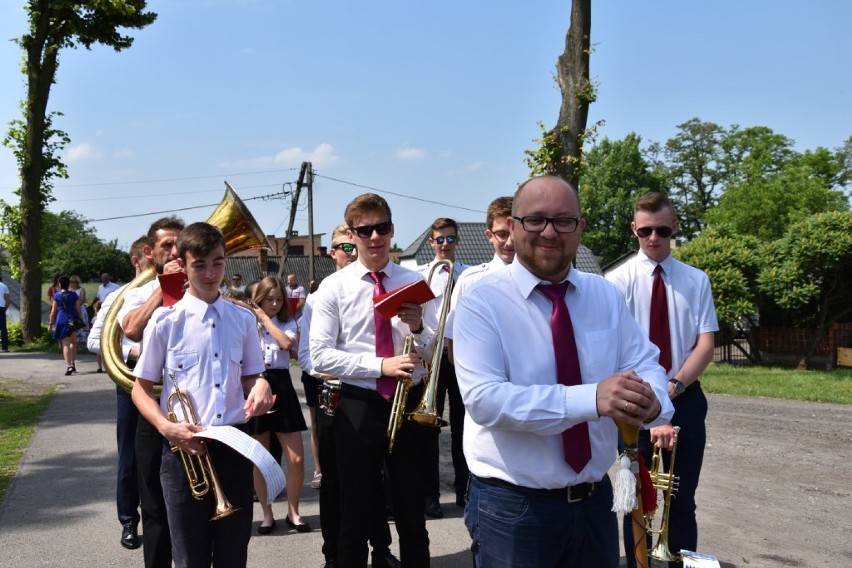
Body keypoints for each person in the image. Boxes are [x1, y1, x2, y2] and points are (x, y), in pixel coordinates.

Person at [452, 175, 673, 568]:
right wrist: (593, 398)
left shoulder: (604, 293)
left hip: (594, 502)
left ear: (580, 228)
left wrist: (651, 403)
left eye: (563, 220)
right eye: (535, 219)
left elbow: (645, 363)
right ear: (514, 226)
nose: (549, 232)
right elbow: (485, 401)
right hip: (514, 508)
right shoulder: (480, 301)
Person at [131, 221, 273, 568]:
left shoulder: (242, 319)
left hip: (233, 447)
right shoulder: (166, 321)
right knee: (189, 557)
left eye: (218, 263)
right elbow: (141, 389)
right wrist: (166, 427)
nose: (210, 274)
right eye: (200, 265)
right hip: (183, 451)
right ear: (183, 263)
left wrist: (262, 386)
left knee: (232, 555)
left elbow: (253, 376)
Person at [310, 193, 437, 568]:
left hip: (409, 401)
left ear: (392, 229)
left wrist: (417, 326)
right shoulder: (333, 288)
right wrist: (381, 366)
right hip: (359, 404)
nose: (375, 237)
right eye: (365, 230)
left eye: (382, 227)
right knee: (354, 512)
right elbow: (319, 357)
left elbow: (430, 351)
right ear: (352, 236)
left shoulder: (413, 281)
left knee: (413, 514)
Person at [606, 191, 719, 568]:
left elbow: (705, 345)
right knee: (635, 498)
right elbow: (614, 348)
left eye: (662, 230)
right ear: (634, 230)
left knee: (682, 498)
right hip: (635, 403)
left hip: (684, 395)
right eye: (645, 231)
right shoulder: (614, 282)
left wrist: (671, 393)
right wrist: (651, 406)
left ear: (675, 228)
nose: (654, 238)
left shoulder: (696, 280)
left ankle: (679, 563)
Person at [299, 224, 400, 568]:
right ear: (333, 251)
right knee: (338, 484)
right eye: (344, 245)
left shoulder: (383, 283)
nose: (351, 251)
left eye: (351, 244)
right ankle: (334, 554)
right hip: (334, 396)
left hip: (371, 394)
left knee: (374, 480)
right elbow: (310, 357)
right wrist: (365, 367)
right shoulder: (321, 295)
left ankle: (381, 550)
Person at [118, 216, 185, 568]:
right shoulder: (138, 292)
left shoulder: (200, 284)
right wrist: (164, 286)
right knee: (155, 505)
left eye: (179, 244)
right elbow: (130, 330)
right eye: (166, 246)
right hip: (154, 410)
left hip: (197, 408)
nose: (175, 252)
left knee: (197, 505)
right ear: (150, 252)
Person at [88, 237, 149, 550]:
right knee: (129, 457)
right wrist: (131, 351)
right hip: (130, 383)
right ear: (135, 260)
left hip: (170, 385)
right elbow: (93, 342)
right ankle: (129, 522)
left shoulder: (177, 292)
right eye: (149, 258)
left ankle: (164, 517)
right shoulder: (117, 297)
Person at [246, 276, 310, 535]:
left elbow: (286, 344)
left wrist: (264, 318)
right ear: (258, 298)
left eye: (278, 299)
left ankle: (293, 511)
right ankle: (267, 513)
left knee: (295, 458)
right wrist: (255, 318)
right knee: (260, 457)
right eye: (268, 299)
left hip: (282, 384)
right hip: (255, 383)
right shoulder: (247, 323)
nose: (274, 303)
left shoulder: (287, 322)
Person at [417, 217, 469, 518]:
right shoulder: (421, 274)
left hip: (460, 356)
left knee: (464, 427)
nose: (445, 244)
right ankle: (430, 497)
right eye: (440, 239)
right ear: (431, 243)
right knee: (428, 428)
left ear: (457, 241)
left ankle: (465, 491)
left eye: (450, 239)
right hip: (431, 355)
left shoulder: (470, 274)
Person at [48, 275, 83, 376]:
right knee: (73, 343)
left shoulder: (57, 296)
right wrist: (80, 320)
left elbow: (53, 311)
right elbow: (78, 309)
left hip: (62, 319)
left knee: (65, 344)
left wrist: (50, 323)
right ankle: (73, 363)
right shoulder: (74, 295)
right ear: (68, 284)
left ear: (59, 284)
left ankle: (69, 366)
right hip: (73, 318)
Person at [94, 272, 122, 373]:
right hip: (101, 310)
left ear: (109, 278)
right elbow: (98, 298)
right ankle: (100, 365)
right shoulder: (100, 287)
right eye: (102, 278)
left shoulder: (115, 287)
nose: (104, 280)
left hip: (111, 311)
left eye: (105, 278)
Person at [0, 274, 10, 352]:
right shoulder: (4, 286)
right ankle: (4, 348)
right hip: (1, 308)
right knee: (3, 329)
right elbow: (7, 300)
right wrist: (5, 309)